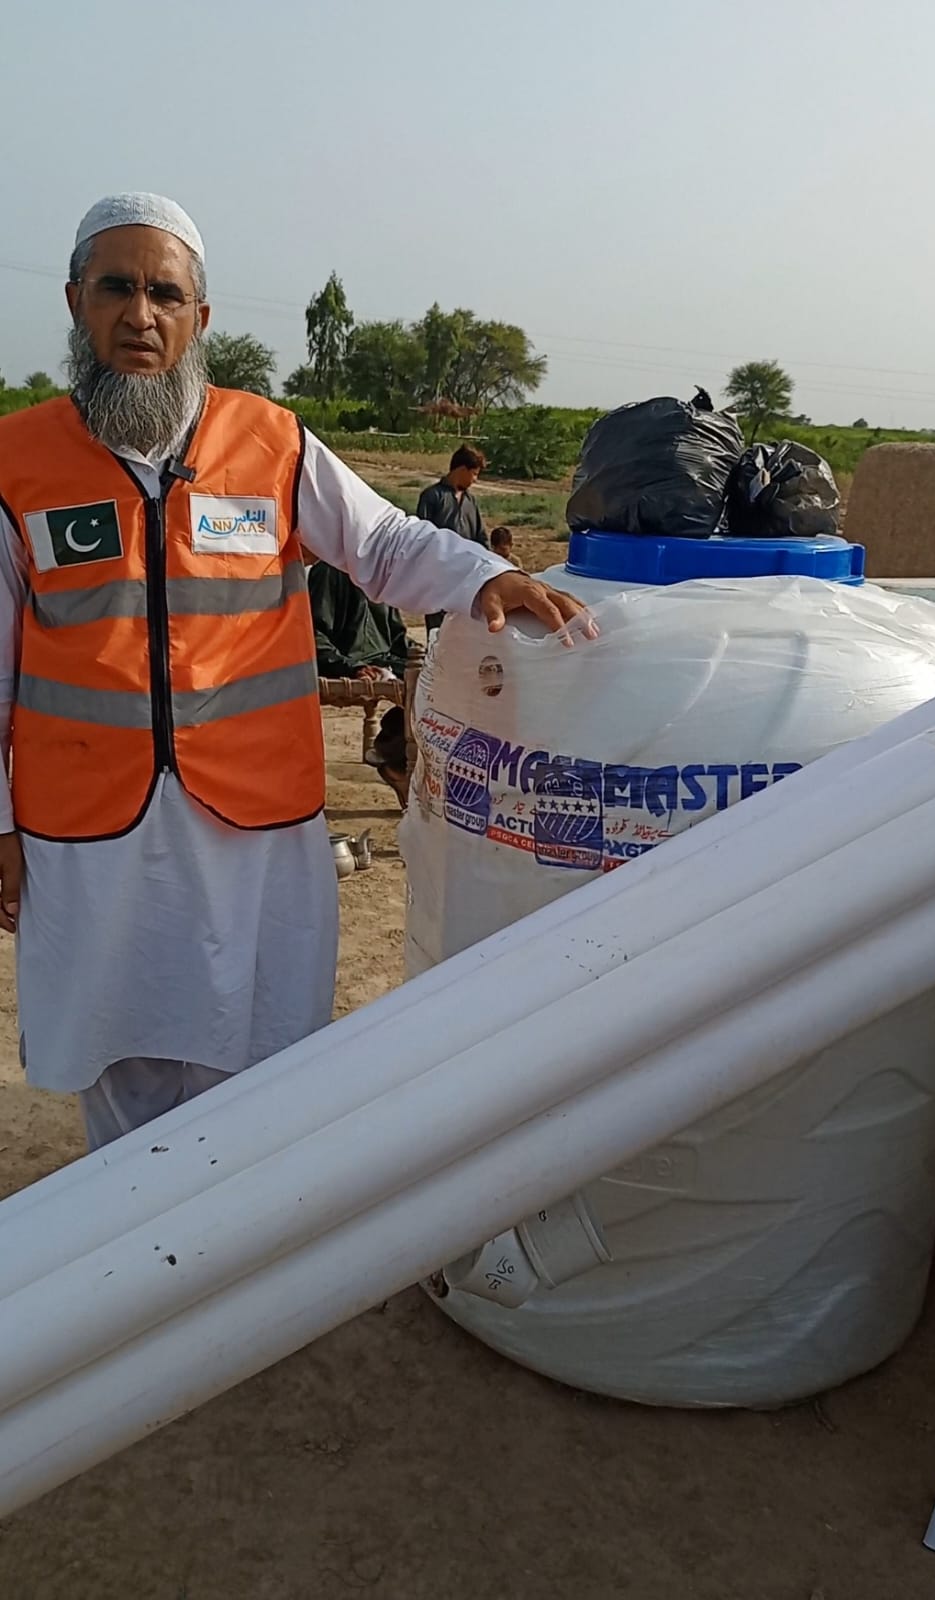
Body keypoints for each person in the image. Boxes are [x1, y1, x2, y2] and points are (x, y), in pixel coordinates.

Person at [0, 191, 586, 1151]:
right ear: (74, 302)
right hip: (85, 830)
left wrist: (490, 572)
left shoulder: (269, 442)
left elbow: (386, 544)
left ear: (200, 318)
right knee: (120, 1047)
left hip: (251, 821)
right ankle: (139, 1239)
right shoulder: (14, 461)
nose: (138, 316)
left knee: (254, 1040)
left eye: (164, 293)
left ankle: (233, 1235)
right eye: (115, 289)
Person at [417, 445, 488, 634]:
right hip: (438, 577)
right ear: (461, 469)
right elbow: (422, 537)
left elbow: (480, 537)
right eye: (474, 474)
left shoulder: (471, 502)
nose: (475, 479)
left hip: (466, 578)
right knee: (438, 633)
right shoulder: (432, 497)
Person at [307, 559, 410, 681]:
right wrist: (355, 668)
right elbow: (313, 637)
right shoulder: (328, 572)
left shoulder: (381, 576)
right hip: (348, 669)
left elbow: (397, 639)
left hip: (386, 664)